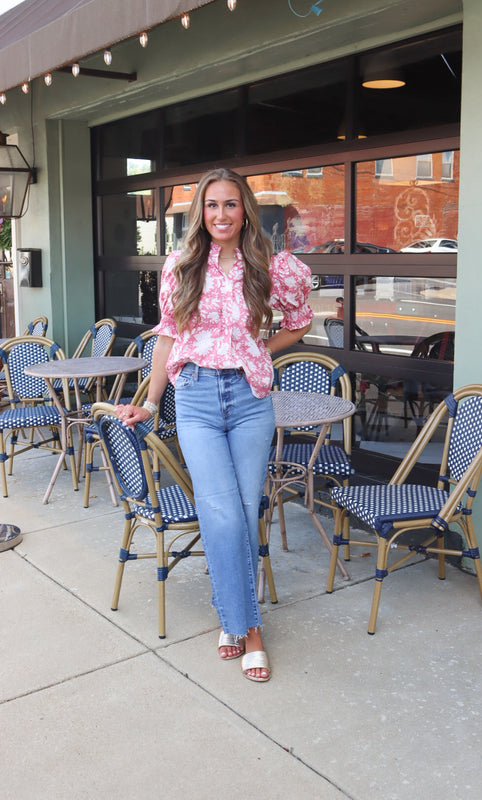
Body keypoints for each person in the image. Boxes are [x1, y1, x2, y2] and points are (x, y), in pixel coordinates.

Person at [116, 167, 313, 682]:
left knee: (245, 513)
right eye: (211, 205)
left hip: (250, 399)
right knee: (221, 513)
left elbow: (299, 323)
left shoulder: (272, 265)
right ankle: (249, 628)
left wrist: (255, 354)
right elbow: (166, 336)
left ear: (245, 209)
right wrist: (153, 401)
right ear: (199, 213)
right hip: (198, 398)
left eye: (230, 204)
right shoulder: (181, 265)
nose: (221, 214)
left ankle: (231, 619)